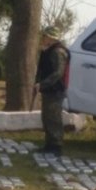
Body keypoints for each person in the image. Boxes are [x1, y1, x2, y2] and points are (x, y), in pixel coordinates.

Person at [34, 26, 70, 156]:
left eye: (45, 36)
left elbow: (58, 73)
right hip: (49, 89)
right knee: (47, 117)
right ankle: (49, 144)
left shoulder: (58, 52)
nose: (43, 38)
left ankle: (56, 145)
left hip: (55, 90)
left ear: (51, 38)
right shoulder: (50, 51)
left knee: (53, 118)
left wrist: (43, 84)